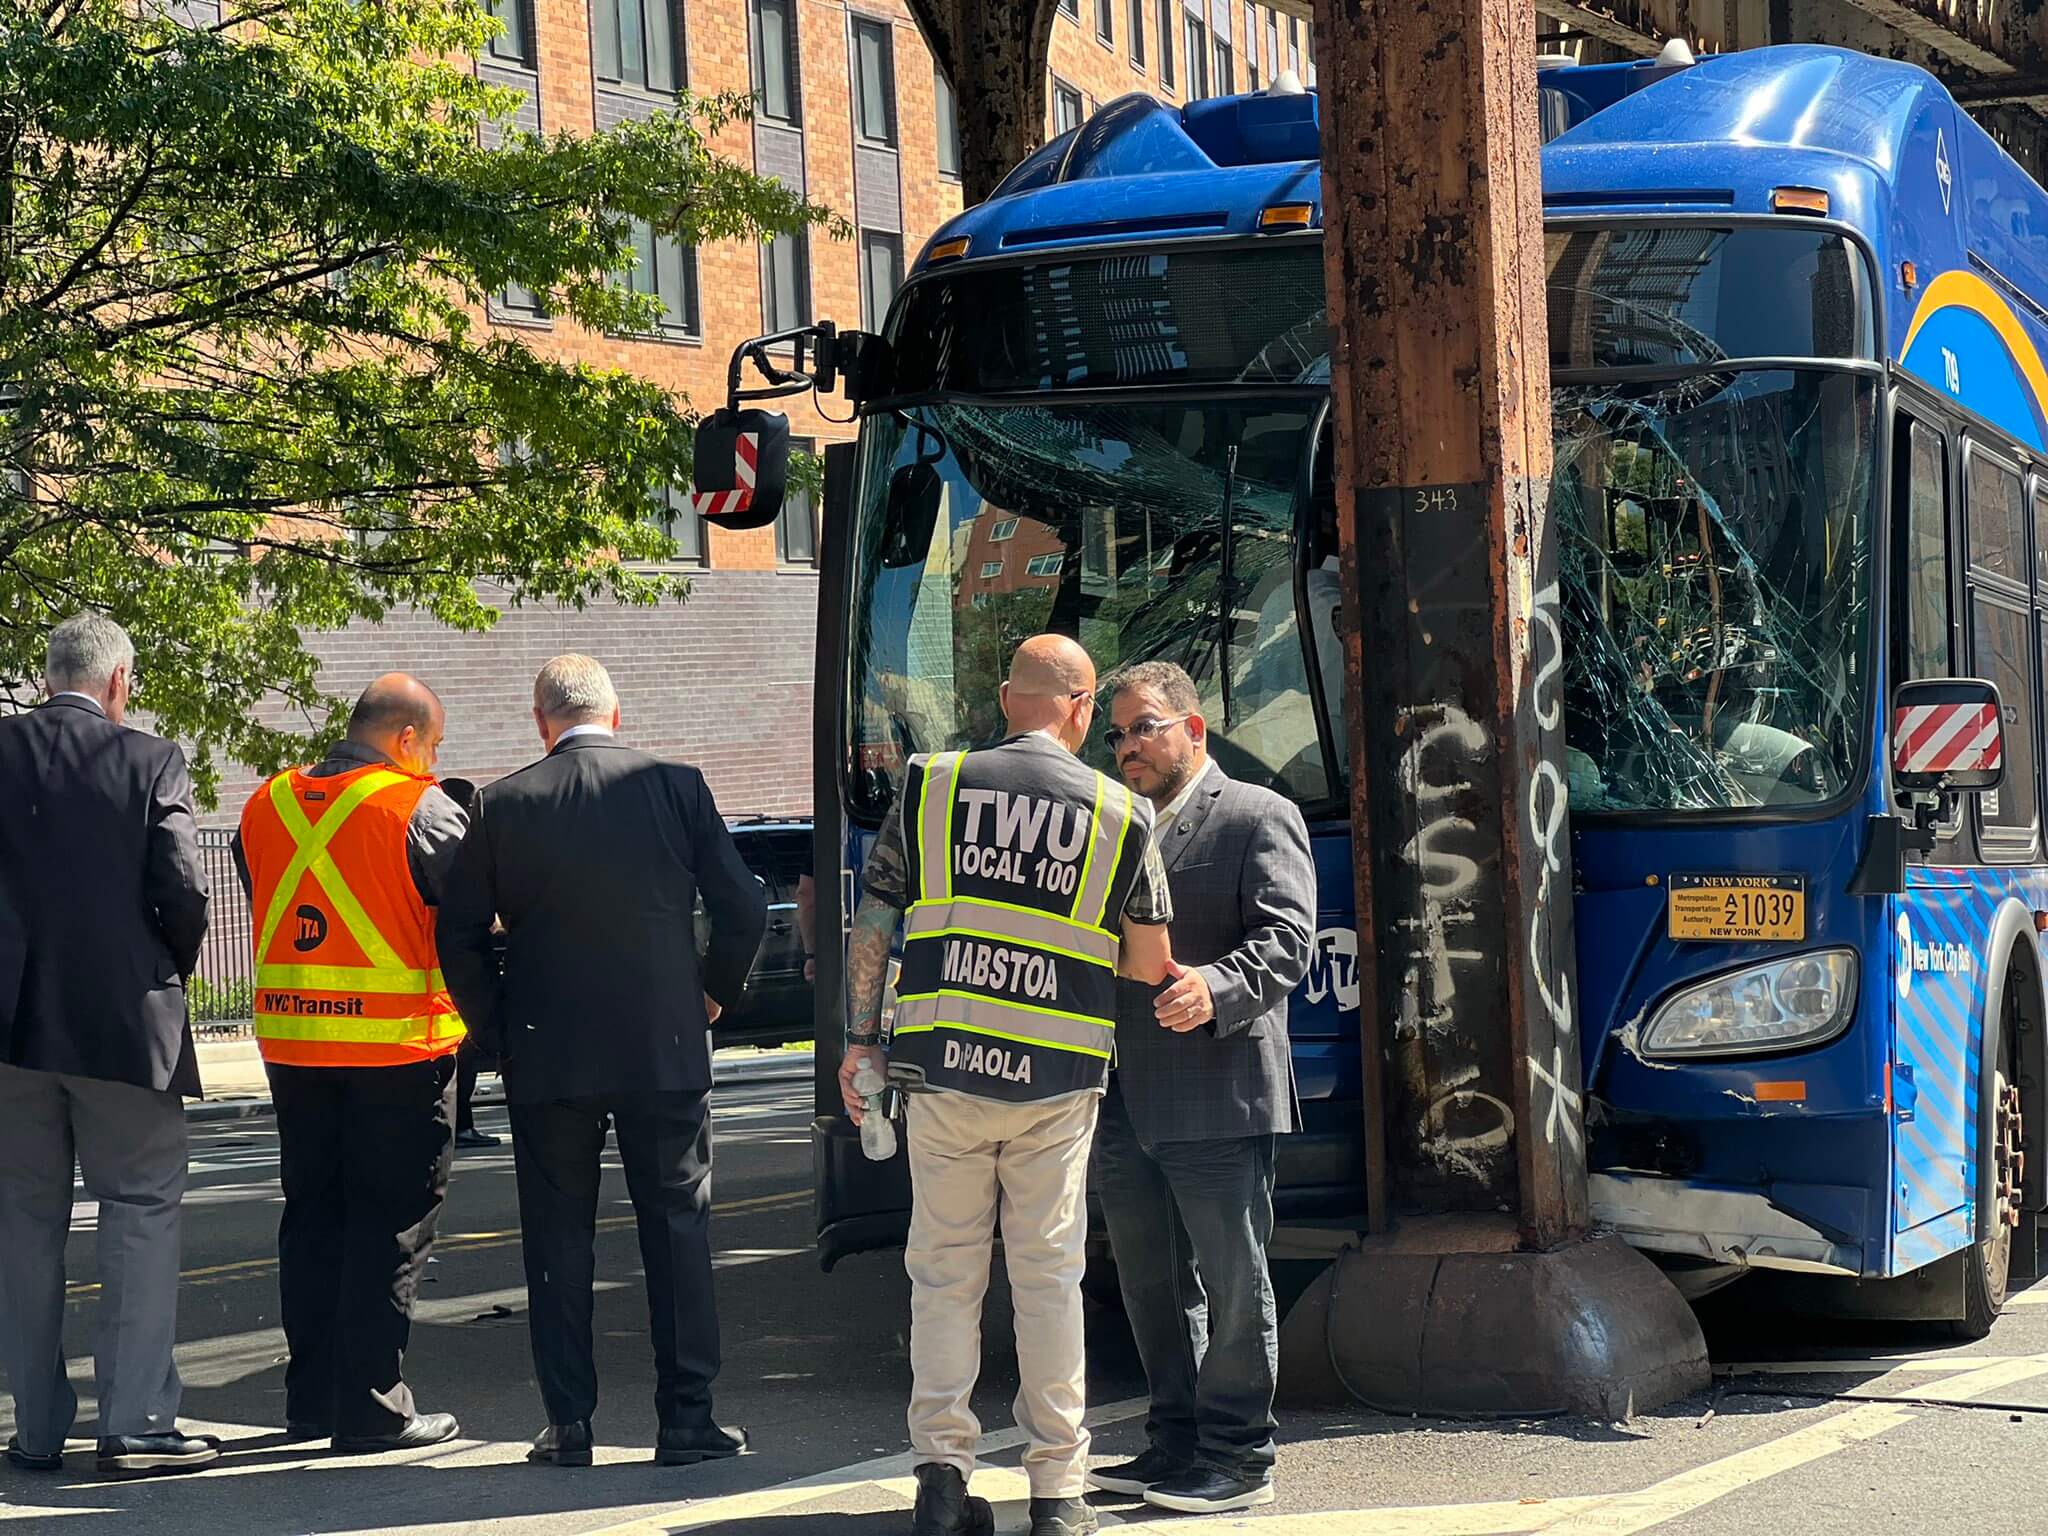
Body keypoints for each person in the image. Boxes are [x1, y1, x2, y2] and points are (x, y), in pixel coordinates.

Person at [839, 634, 1174, 1536]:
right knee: (1049, 1280)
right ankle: (1058, 1494)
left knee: (943, 1275)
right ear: (1081, 707)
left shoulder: (930, 783)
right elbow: (1148, 963)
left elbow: (874, 918)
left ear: (1003, 697)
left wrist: (859, 1042)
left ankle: (943, 1482)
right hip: (1058, 1081)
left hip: (944, 1068)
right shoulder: (1120, 810)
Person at [437, 654, 767, 1470]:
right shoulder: (677, 785)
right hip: (663, 1042)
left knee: (557, 1239)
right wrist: (714, 993)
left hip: (549, 1050)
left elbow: (459, 934)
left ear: (540, 721)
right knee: (678, 1229)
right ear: (614, 716)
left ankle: (569, 1423)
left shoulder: (500, 804)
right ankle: (688, 1419)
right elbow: (744, 904)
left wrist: (499, 1033)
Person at [1087, 661, 1314, 1515]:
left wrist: (1213, 989)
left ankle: (1238, 1454)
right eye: (1115, 733)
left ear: (1194, 729)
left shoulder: (1259, 815)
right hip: (1122, 1096)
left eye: (1143, 726)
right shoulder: (1114, 825)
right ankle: (1175, 1441)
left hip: (1219, 1088)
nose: (1127, 746)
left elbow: (1289, 942)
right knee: (1149, 1284)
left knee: (1231, 1279)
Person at [0, 614, 216, 1477]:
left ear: (47, 676)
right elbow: (183, 885)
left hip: (8, 1029)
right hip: (124, 1023)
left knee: (21, 1221)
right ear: (119, 682)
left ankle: (37, 1427)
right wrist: (167, 968)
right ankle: (134, 1423)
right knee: (139, 1209)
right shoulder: (151, 759)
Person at [234, 674, 468, 1453]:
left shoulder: (264, 803)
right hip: (399, 1054)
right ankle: (373, 1409)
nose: (433, 763)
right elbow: (474, 912)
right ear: (405, 740)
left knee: (312, 1222)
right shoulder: (419, 807)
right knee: (389, 1229)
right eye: (430, 748)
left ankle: (312, 1403)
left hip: (296, 1052)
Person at [438, 777, 502, 1150]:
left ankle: (461, 1123)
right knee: (464, 1055)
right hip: (457, 971)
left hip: (439, 968)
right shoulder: (459, 838)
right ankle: (461, 1124)